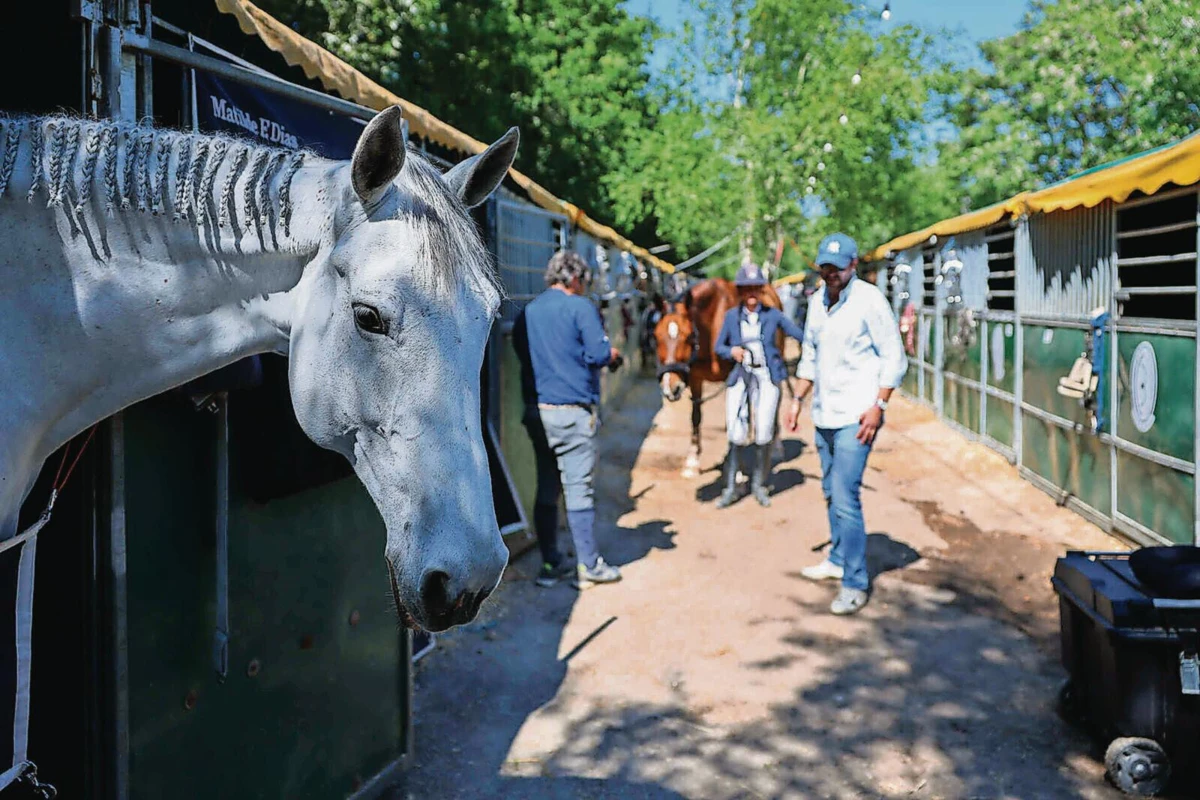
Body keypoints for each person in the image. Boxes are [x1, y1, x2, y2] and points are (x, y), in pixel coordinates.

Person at [786, 233, 907, 616]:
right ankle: (837, 558)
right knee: (828, 490)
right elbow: (808, 356)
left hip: (857, 417)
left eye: (838, 267)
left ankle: (855, 582)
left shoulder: (870, 301)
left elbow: (894, 357)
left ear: (853, 265)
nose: (831, 273)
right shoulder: (817, 304)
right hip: (823, 413)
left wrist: (878, 405)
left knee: (845, 495)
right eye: (825, 266)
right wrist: (796, 399)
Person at [513, 251, 623, 590]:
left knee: (547, 487)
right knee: (578, 490)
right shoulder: (581, 308)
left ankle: (550, 564)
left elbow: (521, 351)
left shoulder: (528, 311)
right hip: (572, 413)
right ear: (575, 278)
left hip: (537, 412)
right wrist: (613, 354)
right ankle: (589, 566)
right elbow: (599, 354)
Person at [714, 262, 806, 508]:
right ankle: (732, 486)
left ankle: (759, 484)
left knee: (764, 428)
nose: (751, 295)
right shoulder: (732, 316)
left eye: (755, 289)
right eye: (746, 290)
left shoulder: (773, 315)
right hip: (741, 377)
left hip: (766, 376)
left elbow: (799, 334)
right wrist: (731, 351)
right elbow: (718, 347)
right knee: (736, 428)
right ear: (741, 292)